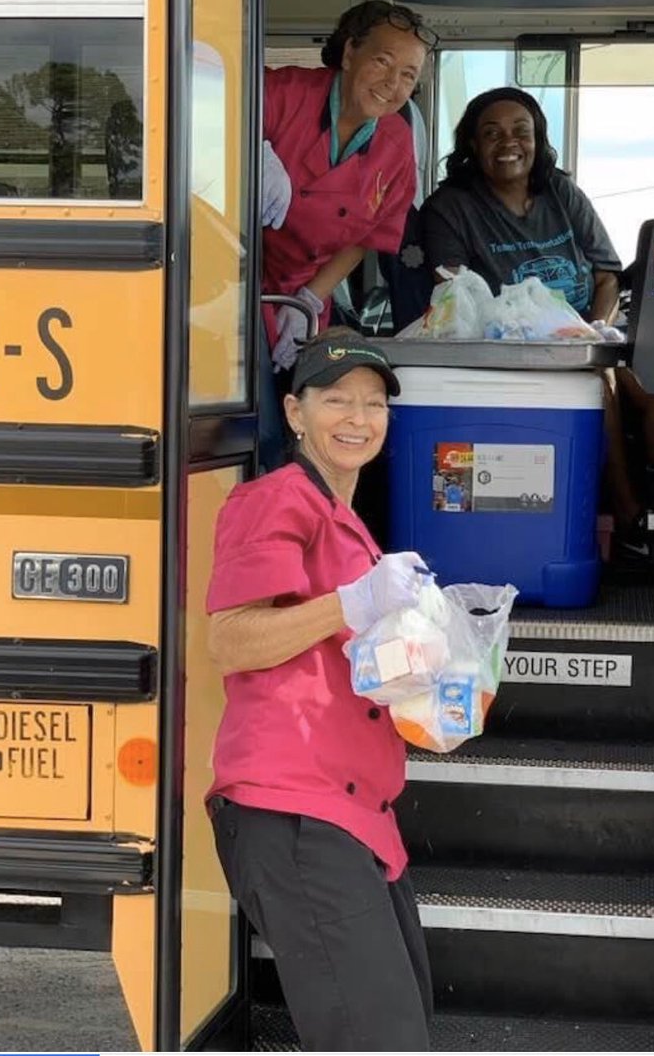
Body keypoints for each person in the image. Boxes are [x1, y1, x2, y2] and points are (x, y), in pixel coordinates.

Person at [205, 327, 434, 1052]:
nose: (357, 418)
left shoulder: (348, 523)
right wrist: (353, 603)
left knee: (398, 1029)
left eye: (373, 403)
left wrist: (433, 675)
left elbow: (342, 663)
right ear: (294, 412)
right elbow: (232, 639)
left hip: (358, 816)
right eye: (336, 400)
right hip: (294, 814)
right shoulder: (274, 502)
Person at [420, 87, 654, 551]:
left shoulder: (562, 191)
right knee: (597, 386)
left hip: (588, 334)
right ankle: (628, 518)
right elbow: (455, 293)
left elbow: (607, 272)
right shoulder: (450, 208)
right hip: (508, 343)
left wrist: (593, 327)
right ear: (471, 144)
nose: (508, 142)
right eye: (491, 133)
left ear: (538, 139)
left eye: (520, 131)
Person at [260, 0, 438, 371]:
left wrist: (310, 299)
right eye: (382, 61)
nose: (392, 84)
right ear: (349, 52)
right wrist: (248, 147)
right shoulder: (283, 92)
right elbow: (203, 102)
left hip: (306, 297)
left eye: (408, 75)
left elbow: (368, 237)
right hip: (237, 285)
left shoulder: (398, 143)